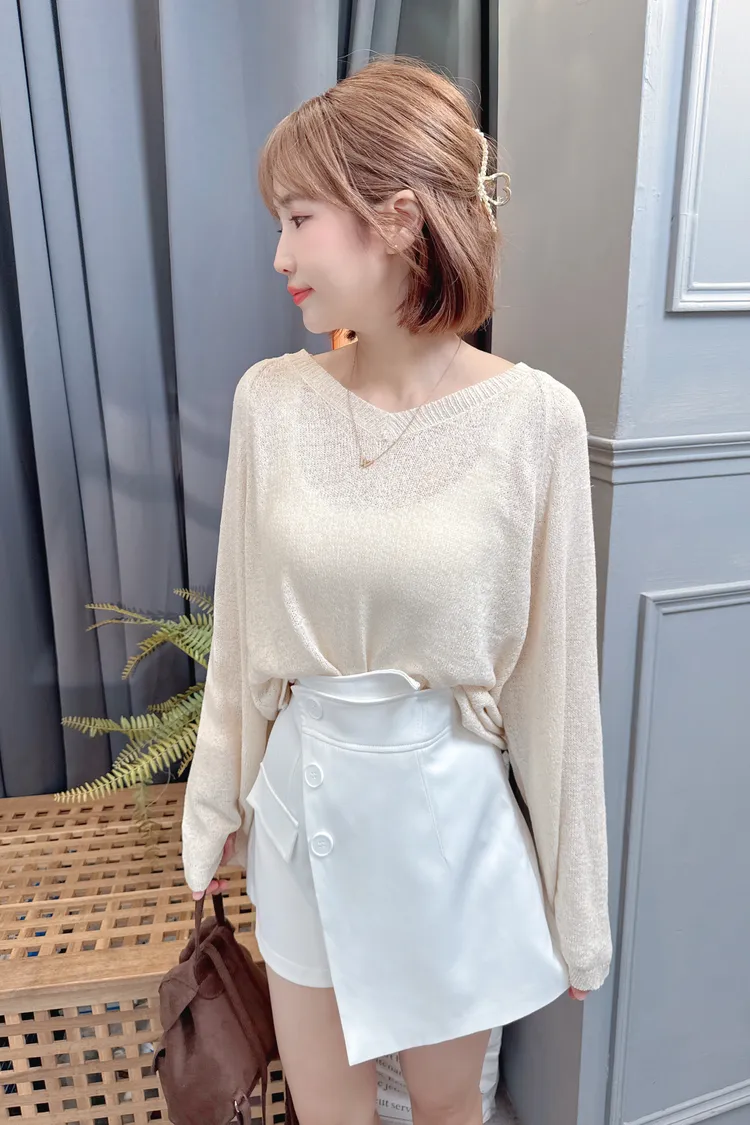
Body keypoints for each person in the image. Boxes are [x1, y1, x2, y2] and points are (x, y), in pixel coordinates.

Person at [181, 55, 612, 1125]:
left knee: (448, 1108)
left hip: (445, 825)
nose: (280, 254)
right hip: (302, 816)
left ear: (401, 218)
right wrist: (216, 809)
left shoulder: (535, 421)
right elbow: (241, 635)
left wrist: (578, 917)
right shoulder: (272, 402)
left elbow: (556, 687)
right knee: (327, 1111)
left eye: (299, 218)